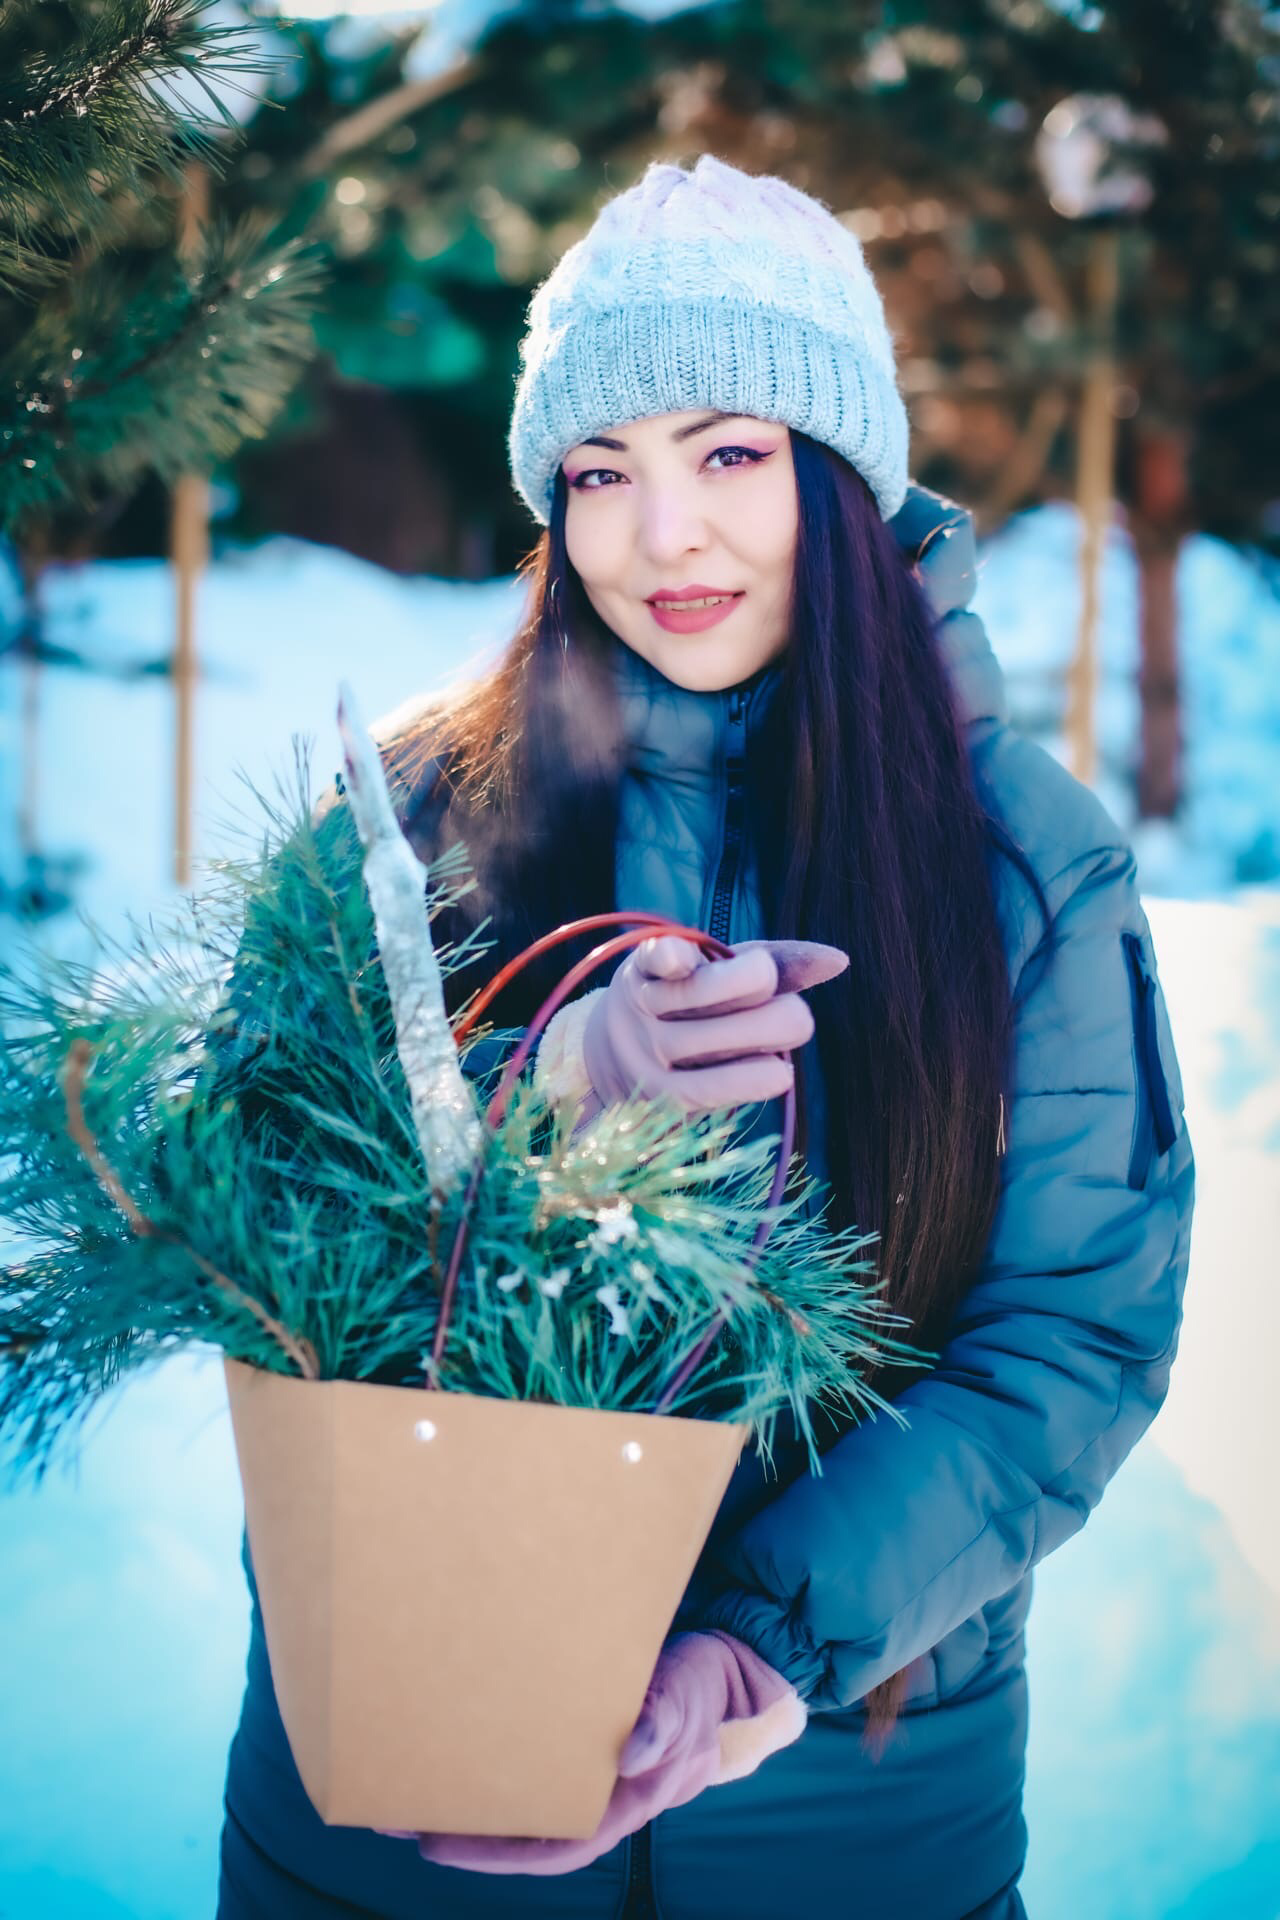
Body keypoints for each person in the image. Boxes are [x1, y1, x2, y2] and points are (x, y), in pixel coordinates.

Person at [215, 153, 1195, 1919]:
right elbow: (225, 1215)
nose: (663, 536)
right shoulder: (417, 813)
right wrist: (536, 1101)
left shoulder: (1024, 859)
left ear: (842, 472)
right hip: (397, 1815)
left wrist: (759, 1652)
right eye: (602, 474)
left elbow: (1076, 1333)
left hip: (860, 1821)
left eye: (732, 454)